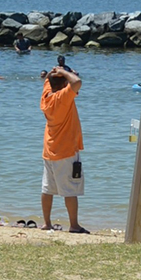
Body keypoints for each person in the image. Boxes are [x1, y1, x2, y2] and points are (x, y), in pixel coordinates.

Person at [39, 65, 88, 234]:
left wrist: (58, 72)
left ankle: (47, 223)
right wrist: (66, 73)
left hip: (49, 149)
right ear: (63, 85)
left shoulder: (46, 96)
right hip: (65, 151)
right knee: (70, 190)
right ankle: (74, 225)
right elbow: (77, 82)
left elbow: (48, 80)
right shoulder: (62, 97)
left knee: (47, 189)